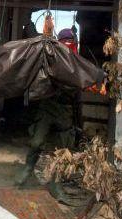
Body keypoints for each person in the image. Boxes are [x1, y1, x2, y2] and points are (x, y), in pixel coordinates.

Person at [14, 28, 82, 205]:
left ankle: (56, 184)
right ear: (58, 42)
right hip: (47, 107)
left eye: (70, 40)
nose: (68, 43)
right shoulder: (51, 57)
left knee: (62, 152)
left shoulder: (78, 62)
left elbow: (81, 83)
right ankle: (28, 168)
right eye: (64, 40)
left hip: (66, 111)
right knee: (36, 142)